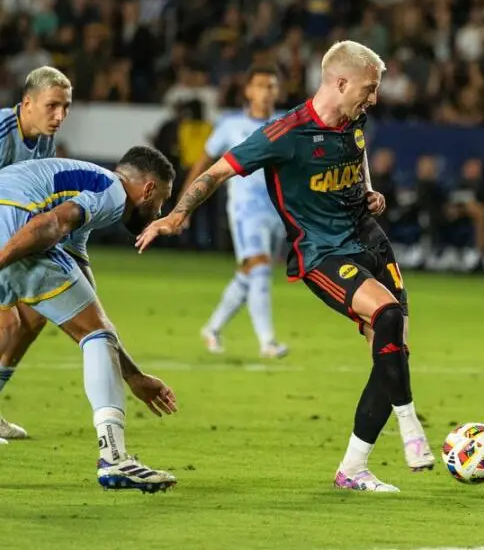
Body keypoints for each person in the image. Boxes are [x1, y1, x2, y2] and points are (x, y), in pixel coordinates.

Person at [136, 40, 434, 492]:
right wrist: (179, 214)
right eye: (369, 89)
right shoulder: (284, 134)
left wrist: (369, 189)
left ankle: (353, 469)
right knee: (388, 315)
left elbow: (358, 151)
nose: (373, 98)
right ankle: (412, 429)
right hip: (322, 254)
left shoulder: (357, 119)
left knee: (392, 348)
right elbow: (217, 171)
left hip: (370, 240)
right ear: (340, 82)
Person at [0, 149, 179, 491]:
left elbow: (89, 302)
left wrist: (133, 375)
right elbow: (50, 224)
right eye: (162, 201)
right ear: (148, 188)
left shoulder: (86, 188)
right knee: (94, 334)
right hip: (15, 223)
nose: (160, 212)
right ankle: (114, 458)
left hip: (7, 213)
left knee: (13, 327)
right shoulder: (111, 191)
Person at [179, 67, 288, 358]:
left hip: (277, 210)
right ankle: (268, 342)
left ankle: (212, 329)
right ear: (248, 91)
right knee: (260, 268)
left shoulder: (284, 123)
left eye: (272, 86)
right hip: (244, 209)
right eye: (261, 85)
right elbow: (204, 163)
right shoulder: (230, 124)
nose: (267, 92)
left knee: (249, 274)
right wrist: (184, 204)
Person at [0, 66, 72, 443]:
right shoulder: (1, 132)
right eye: (52, 106)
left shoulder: (43, 142)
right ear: (26, 103)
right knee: (7, 324)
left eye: (65, 107)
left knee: (33, 318)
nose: (59, 116)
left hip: (9, 242)